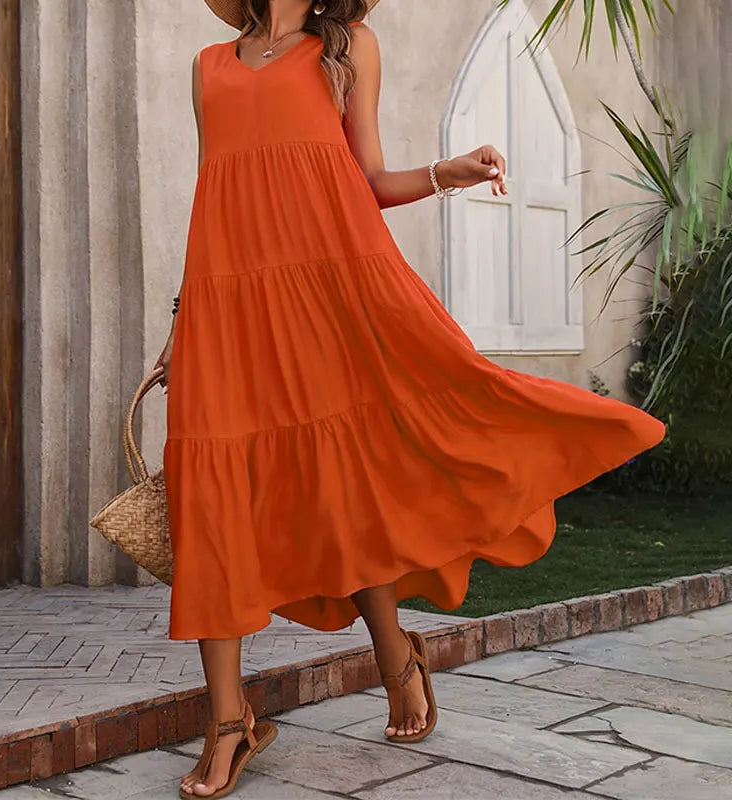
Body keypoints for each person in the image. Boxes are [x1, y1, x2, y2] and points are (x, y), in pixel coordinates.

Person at [153, 0, 666, 796]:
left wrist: (442, 174)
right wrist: (183, 319)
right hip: (230, 308)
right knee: (210, 497)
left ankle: (395, 657)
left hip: (329, 296)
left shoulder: (349, 47)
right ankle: (229, 721)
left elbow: (365, 181)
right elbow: (211, 196)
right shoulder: (209, 67)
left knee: (345, 483)